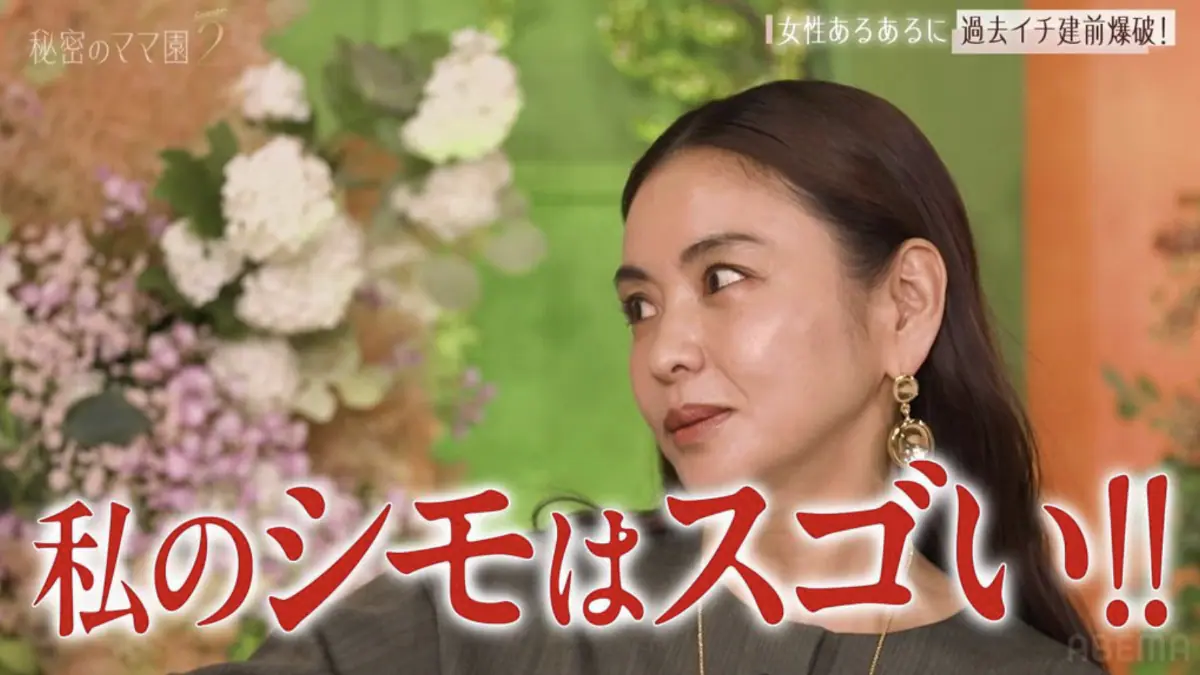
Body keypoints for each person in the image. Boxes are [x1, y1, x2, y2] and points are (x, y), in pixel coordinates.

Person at [183, 80, 1109, 674]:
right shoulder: (494, 619)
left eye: (723, 279)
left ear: (903, 306)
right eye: (640, 305)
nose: (665, 349)